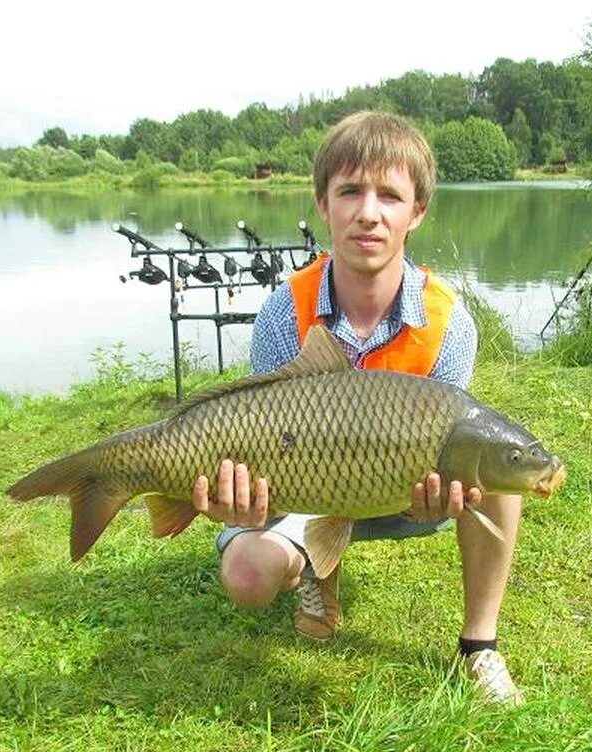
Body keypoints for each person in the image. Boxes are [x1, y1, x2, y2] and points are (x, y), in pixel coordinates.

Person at [191, 111, 525, 705]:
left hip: (404, 489)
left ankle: (480, 645)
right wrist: (233, 499)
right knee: (246, 576)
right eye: (349, 191)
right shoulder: (283, 309)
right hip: (300, 484)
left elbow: (454, 432)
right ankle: (315, 570)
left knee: (500, 473)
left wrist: (437, 498)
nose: (368, 212)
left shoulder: (449, 320)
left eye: (389, 195)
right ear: (324, 203)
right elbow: (250, 428)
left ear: (416, 212)